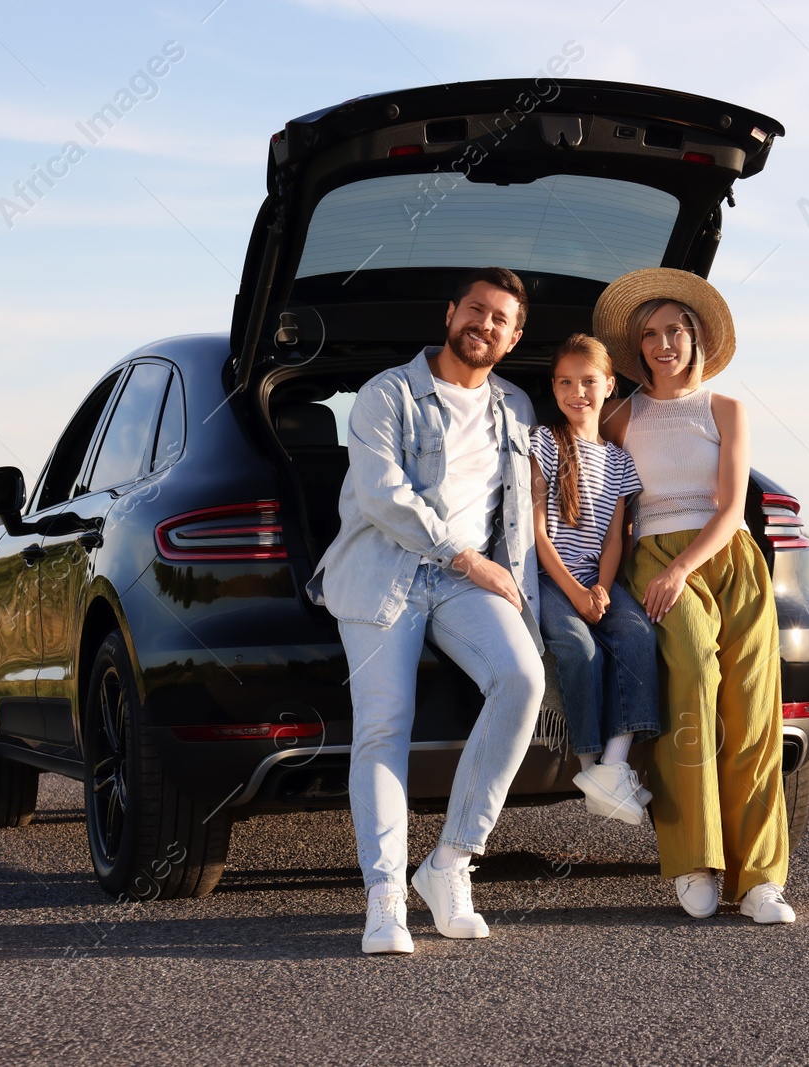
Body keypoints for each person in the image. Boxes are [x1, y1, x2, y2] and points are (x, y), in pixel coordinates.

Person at [307, 267, 545, 955]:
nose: (486, 324)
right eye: (476, 310)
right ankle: (384, 897)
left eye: (501, 319)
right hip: (385, 572)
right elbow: (384, 497)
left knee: (522, 679)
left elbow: (521, 518)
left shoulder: (517, 407)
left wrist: (523, 594)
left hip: (468, 583)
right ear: (450, 314)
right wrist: (470, 559)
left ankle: (449, 863)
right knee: (385, 724)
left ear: (513, 337)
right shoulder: (387, 394)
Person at [594, 267, 797, 925]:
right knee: (693, 687)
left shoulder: (727, 410)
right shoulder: (620, 417)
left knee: (753, 713)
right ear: (637, 347)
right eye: (649, 334)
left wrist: (685, 565)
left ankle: (761, 879)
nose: (662, 344)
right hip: (654, 563)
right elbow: (605, 510)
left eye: (673, 331)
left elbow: (734, 505)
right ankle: (693, 861)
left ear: (695, 337)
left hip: (723, 559)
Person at [530, 334, 659, 824]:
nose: (576, 391)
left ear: (609, 386)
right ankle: (588, 765)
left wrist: (603, 588)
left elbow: (614, 539)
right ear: (555, 387)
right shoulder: (542, 442)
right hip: (550, 577)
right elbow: (539, 535)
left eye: (587, 381)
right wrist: (577, 593)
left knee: (636, 633)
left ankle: (614, 764)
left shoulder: (620, 460)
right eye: (565, 382)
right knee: (578, 648)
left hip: (595, 579)